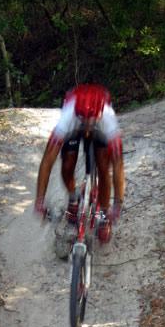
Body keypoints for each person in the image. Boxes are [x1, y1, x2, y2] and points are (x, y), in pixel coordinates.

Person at [34, 83, 125, 243]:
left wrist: (117, 203)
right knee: (67, 163)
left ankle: (103, 213)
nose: (88, 126)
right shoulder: (68, 116)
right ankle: (73, 197)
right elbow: (48, 160)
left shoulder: (108, 118)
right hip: (74, 126)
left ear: (99, 114)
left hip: (101, 129)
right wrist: (40, 200)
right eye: (84, 120)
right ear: (78, 115)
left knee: (104, 168)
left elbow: (118, 165)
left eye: (91, 121)